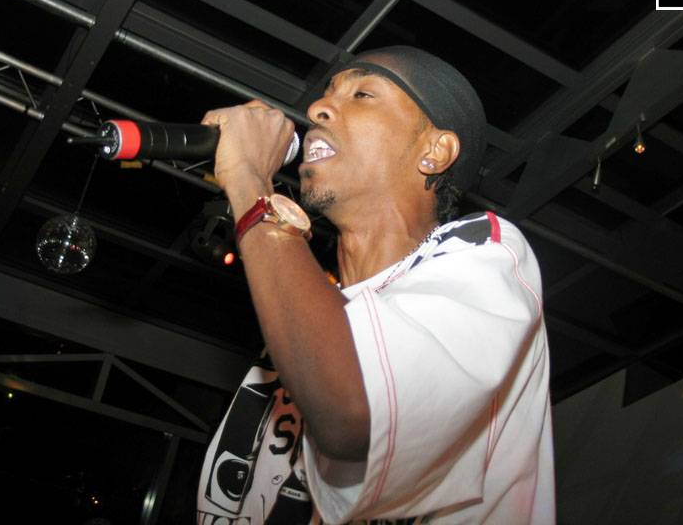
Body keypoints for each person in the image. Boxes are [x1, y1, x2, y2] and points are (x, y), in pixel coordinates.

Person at [196, 46, 554, 524]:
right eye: (326, 94)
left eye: (362, 93)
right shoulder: (299, 337)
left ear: (434, 152)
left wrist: (249, 183)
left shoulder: (488, 254)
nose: (316, 109)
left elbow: (350, 411)